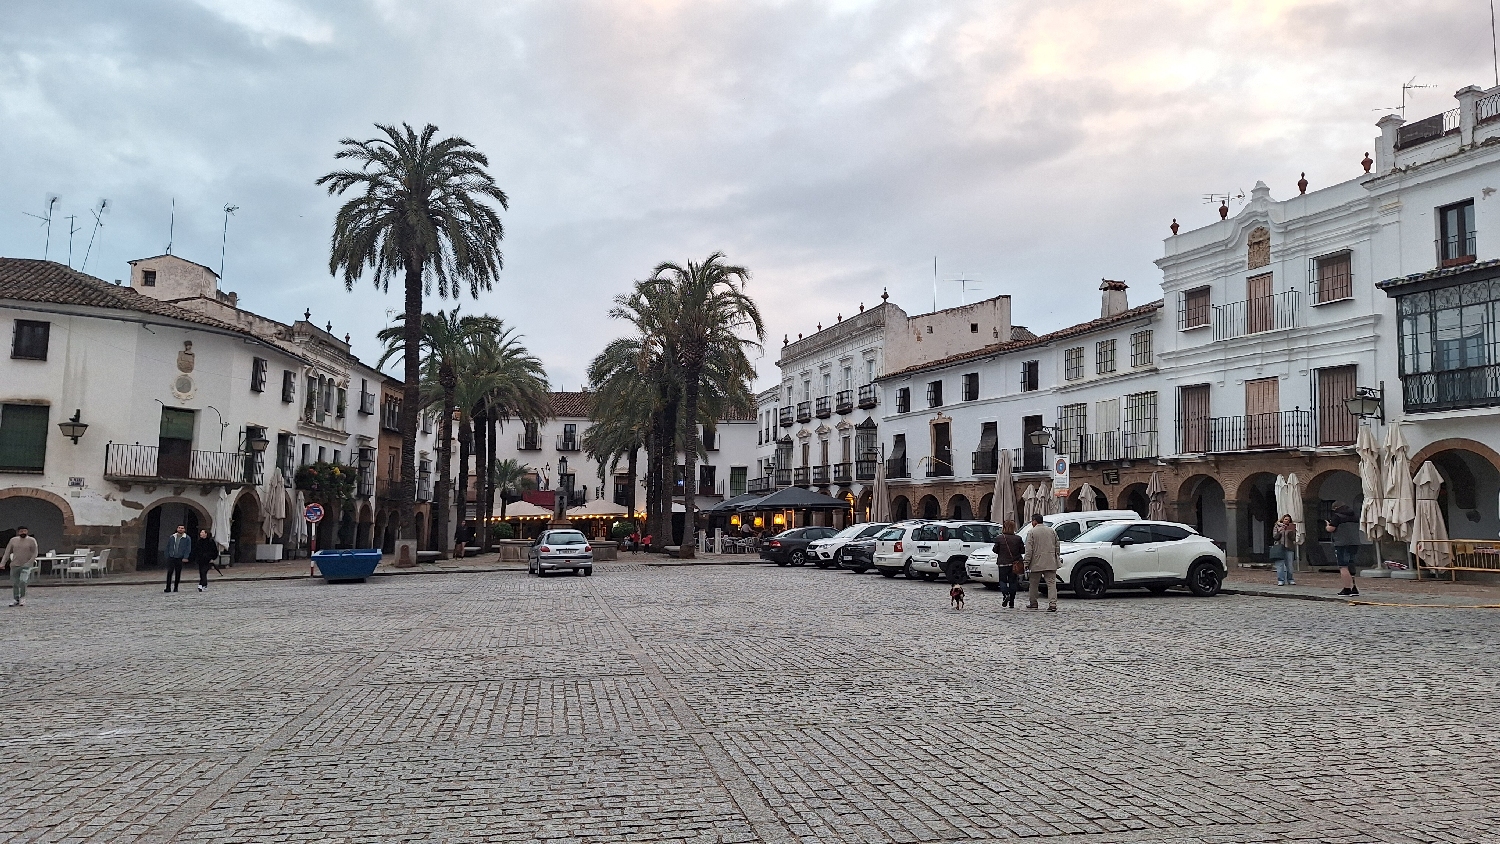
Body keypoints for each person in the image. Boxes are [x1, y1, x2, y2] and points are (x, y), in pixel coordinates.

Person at [1022, 513, 1060, 612]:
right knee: (1051, 584)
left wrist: (1026, 563)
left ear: (1034, 521)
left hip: (1036, 562)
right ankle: (1053, 604)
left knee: (1034, 584)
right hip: (1050, 561)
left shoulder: (1032, 532)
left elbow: (1029, 550)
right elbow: (1057, 545)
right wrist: (1056, 557)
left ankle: (1033, 603)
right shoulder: (1051, 530)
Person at [1326, 502, 1361, 597]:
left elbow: (1331, 529)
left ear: (1336, 508)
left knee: (1343, 566)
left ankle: (1347, 588)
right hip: (1354, 542)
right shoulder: (1355, 516)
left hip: (1341, 543)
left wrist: (1327, 525)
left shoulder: (1337, 516)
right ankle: (1354, 587)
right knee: (1351, 564)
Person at [991, 520, 1025, 609]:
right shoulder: (1018, 538)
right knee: (1013, 582)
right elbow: (1022, 550)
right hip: (1014, 563)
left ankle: (1005, 594)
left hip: (1002, 563)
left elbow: (995, 550)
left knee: (1002, 581)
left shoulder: (999, 538)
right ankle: (1012, 603)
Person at [4, 526, 38, 608]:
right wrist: (3, 563)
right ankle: (16, 599)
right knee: (15, 583)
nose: (23, 532)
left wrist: (30, 562)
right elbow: (7, 552)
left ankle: (22, 597)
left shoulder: (31, 540)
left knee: (23, 581)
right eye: (21, 531)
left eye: (25, 531)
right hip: (15, 565)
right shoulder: (13, 540)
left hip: (26, 565)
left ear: (27, 532)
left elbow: (35, 552)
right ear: (18, 532)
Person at [164, 524, 191, 593]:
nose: (180, 529)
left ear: (184, 530)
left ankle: (176, 587)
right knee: (169, 572)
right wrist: (167, 555)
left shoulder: (187, 538)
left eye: (182, 528)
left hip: (180, 558)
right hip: (171, 557)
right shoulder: (172, 537)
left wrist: (185, 557)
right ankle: (168, 587)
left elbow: (188, 548)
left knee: (178, 573)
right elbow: (168, 546)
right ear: (177, 529)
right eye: (179, 528)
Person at [1272, 515, 1297, 586]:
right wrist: (1280, 531)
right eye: (1285, 519)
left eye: (1288, 520)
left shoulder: (1291, 527)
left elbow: (1293, 538)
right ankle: (1281, 580)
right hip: (1279, 547)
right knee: (1280, 565)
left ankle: (1290, 579)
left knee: (1289, 565)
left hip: (1289, 547)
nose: (1287, 521)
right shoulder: (1277, 526)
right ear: (1282, 519)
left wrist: (1291, 532)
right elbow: (1275, 537)